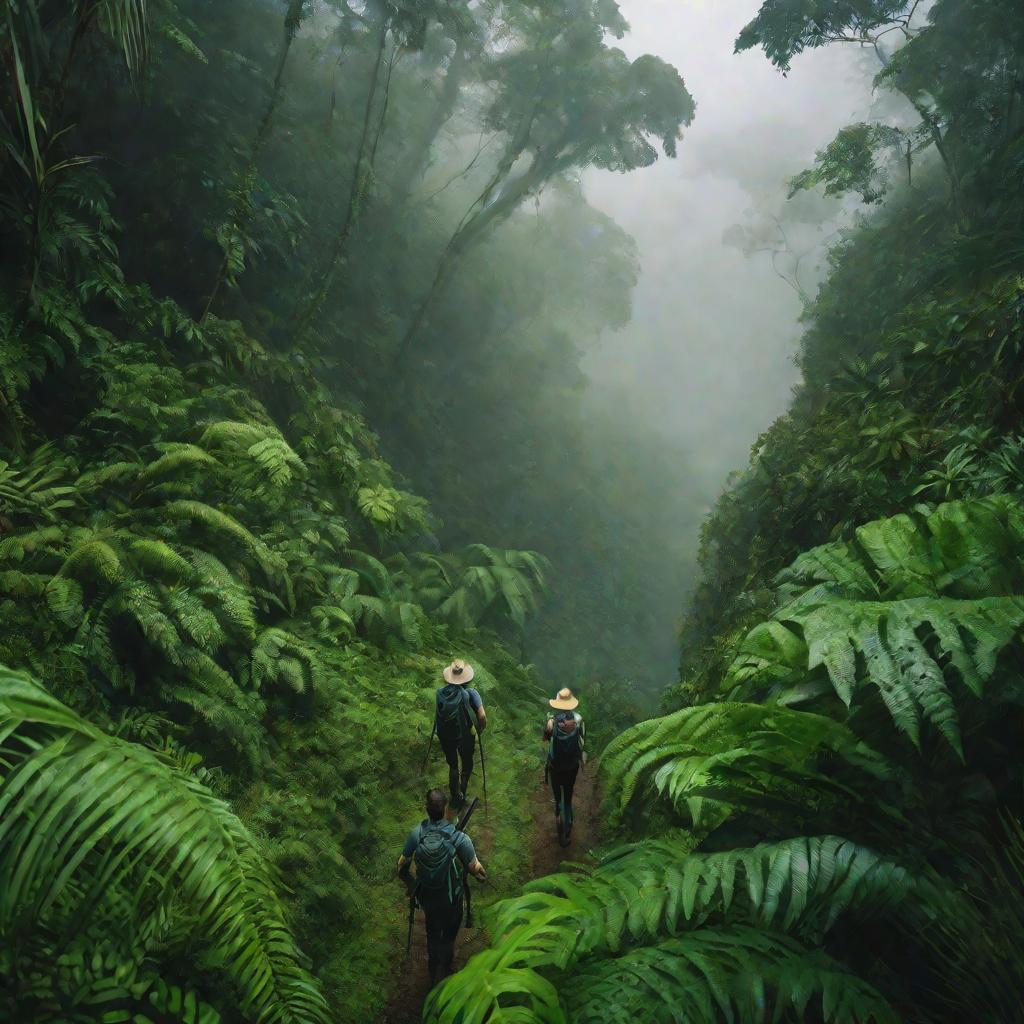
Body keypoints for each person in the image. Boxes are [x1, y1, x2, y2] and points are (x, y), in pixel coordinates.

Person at [398, 787, 486, 986]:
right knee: (449, 933)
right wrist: (480, 873)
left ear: (427, 809)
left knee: (432, 930)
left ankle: (432, 968)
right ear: (445, 808)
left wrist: (412, 885)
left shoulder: (416, 834)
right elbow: (475, 868)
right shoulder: (458, 837)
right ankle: (445, 967)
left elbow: (401, 866)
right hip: (451, 898)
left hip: (428, 897)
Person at [435, 659, 486, 810]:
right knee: (467, 763)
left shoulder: (440, 693)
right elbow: (482, 717)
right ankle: (462, 792)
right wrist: (480, 730)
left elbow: (438, 715)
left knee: (453, 765)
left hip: (446, 735)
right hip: (464, 736)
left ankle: (454, 795)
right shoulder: (470, 693)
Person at [544, 687, 585, 847]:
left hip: (556, 767)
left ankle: (559, 823)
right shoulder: (579, 720)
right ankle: (568, 829)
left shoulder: (551, 721)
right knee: (568, 796)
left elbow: (546, 738)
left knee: (557, 796)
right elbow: (582, 741)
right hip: (572, 766)